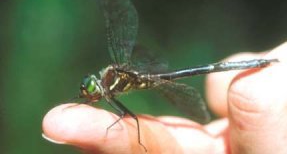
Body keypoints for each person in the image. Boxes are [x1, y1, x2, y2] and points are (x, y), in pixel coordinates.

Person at [42, 42, 287, 154]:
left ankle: (264, 64)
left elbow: (131, 118)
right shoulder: (108, 85)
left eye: (92, 90)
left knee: (245, 98)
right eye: (90, 91)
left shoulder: (114, 80)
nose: (92, 93)